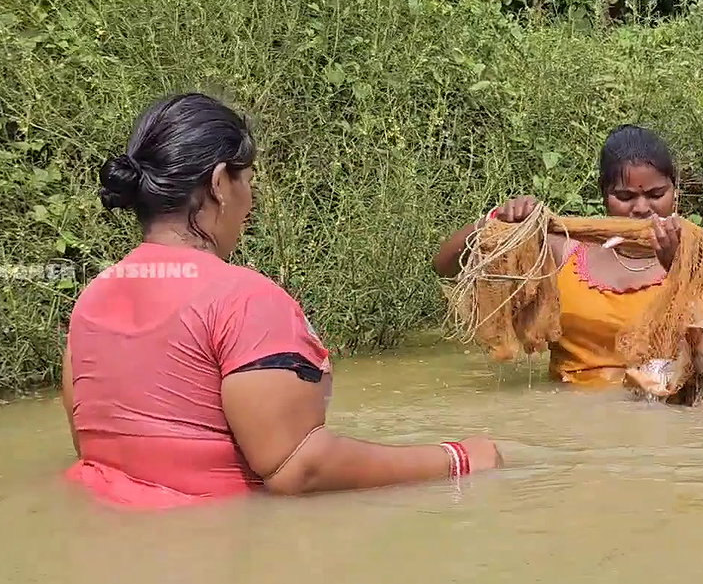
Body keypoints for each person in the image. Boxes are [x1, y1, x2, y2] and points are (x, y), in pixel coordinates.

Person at [62, 93, 501, 509]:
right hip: (214, 552)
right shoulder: (243, 299)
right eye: (248, 182)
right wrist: (459, 458)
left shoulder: (93, 297)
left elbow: (94, 446)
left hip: (112, 541)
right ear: (219, 183)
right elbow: (298, 467)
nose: (250, 202)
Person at [434, 123, 703, 388]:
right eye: (625, 196)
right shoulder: (564, 248)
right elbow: (446, 266)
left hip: (659, 412)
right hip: (570, 415)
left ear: (676, 190)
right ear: (604, 195)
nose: (642, 208)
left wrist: (675, 268)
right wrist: (499, 220)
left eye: (657, 194)